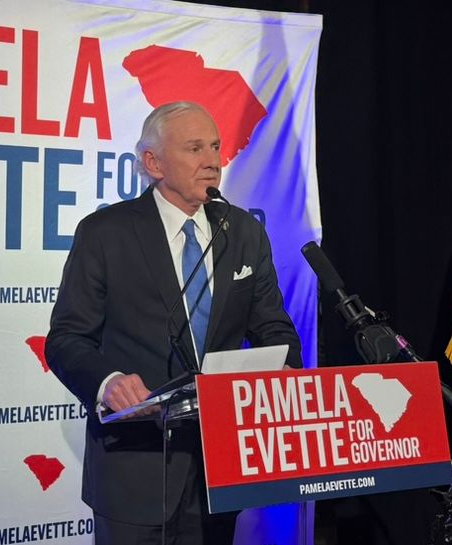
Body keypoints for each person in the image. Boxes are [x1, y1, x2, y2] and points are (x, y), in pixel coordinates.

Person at [46, 101, 301, 545]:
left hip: (220, 469)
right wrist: (108, 382)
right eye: (195, 148)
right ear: (153, 163)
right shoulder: (105, 232)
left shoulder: (243, 232)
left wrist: (282, 369)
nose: (213, 160)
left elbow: (274, 328)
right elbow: (67, 339)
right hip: (134, 468)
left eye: (215, 147)